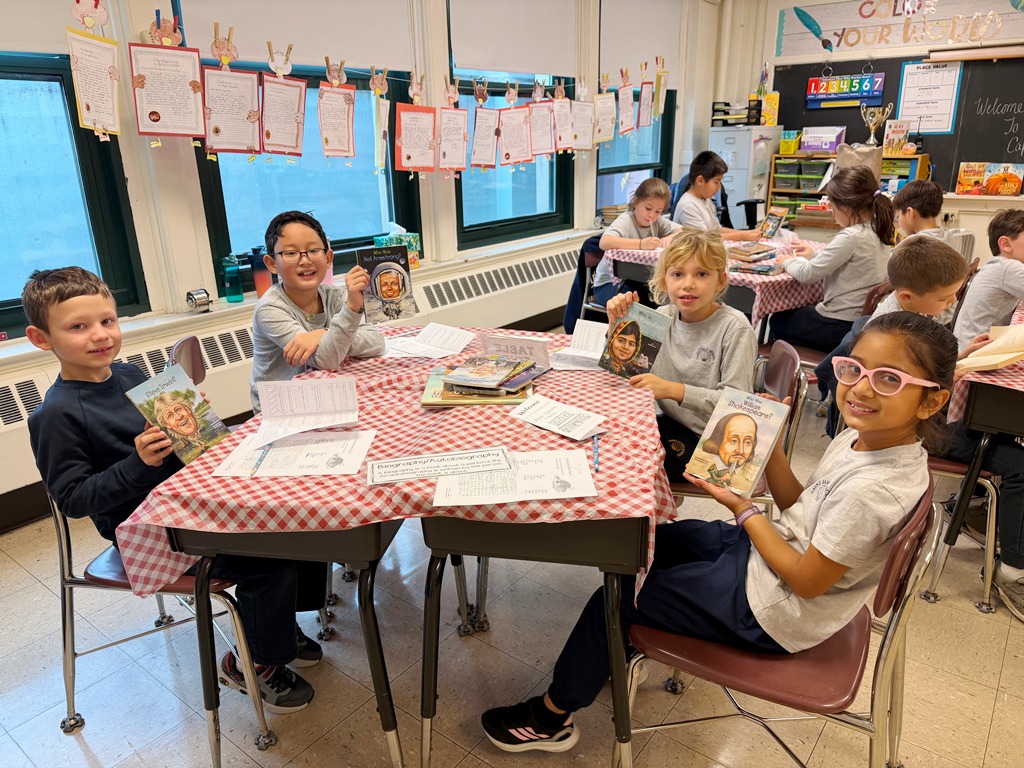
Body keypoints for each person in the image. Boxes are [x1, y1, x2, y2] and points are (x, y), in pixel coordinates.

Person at [480, 311, 954, 753]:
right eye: (854, 369)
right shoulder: (862, 439)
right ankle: (610, 648)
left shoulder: (874, 491)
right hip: (771, 559)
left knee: (617, 594)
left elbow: (807, 581)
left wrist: (744, 511)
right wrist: (771, 446)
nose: (861, 389)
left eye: (889, 379)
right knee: (646, 543)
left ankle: (550, 717)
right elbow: (800, 507)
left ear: (932, 400)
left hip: (773, 608)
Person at [25, 267, 328, 713]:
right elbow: (73, 499)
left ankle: (276, 629)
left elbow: (177, 437)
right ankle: (253, 663)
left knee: (299, 520)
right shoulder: (56, 415)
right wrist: (138, 464)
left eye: (107, 321)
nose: (100, 335)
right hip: (146, 530)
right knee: (269, 561)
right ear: (41, 338)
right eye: (78, 327)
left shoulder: (128, 373)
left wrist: (196, 425)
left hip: (187, 502)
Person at [604, 228, 757, 478]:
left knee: (627, 461)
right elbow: (623, 372)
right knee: (609, 437)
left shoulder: (735, 327)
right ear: (665, 281)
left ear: (720, 281)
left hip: (710, 445)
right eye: (678, 274)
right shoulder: (662, 317)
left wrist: (674, 390)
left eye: (702, 274)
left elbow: (737, 405)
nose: (688, 284)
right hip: (670, 423)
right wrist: (616, 326)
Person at [815, 238, 974, 436]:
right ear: (907, 297)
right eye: (944, 298)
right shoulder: (893, 332)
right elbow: (898, 377)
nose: (953, 300)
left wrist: (960, 357)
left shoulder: (910, 307)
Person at [250, 210, 386, 411]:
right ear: (272, 264)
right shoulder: (270, 308)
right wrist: (350, 309)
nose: (305, 261)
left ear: (328, 258)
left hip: (324, 394)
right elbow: (327, 359)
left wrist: (321, 334)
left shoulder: (334, 295)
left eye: (314, 250)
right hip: (281, 407)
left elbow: (376, 343)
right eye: (291, 253)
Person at [770, 166, 894, 353]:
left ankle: (798, 364)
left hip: (839, 324)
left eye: (832, 207)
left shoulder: (851, 236)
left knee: (778, 320)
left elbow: (807, 274)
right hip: (859, 321)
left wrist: (786, 261)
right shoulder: (878, 228)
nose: (831, 212)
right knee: (797, 315)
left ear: (845, 207)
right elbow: (850, 261)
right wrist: (813, 255)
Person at [593, 178, 682, 307]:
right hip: (610, 284)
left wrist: (671, 237)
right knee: (633, 300)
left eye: (658, 211)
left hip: (638, 281)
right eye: (648, 208)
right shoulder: (626, 220)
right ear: (636, 202)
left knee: (662, 297)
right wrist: (641, 244)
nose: (652, 215)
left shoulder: (657, 222)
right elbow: (604, 242)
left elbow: (685, 230)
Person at [952, 208, 1024, 353]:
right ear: (1006, 244)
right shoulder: (1008, 267)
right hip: (976, 354)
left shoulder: (996, 266)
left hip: (964, 348)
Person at [892, 179, 960, 325]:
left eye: (898, 216)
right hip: (946, 313)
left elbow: (891, 276)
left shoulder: (912, 244)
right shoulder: (948, 236)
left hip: (924, 316)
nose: (899, 221)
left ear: (909, 213)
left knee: (860, 325)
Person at [672, 150, 761, 242]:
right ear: (700, 181)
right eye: (716, 182)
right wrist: (742, 236)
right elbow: (705, 239)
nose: (719, 187)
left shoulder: (706, 200)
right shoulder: (688, 206)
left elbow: (717, 230)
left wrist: (747, 233)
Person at [703, 412, 758, 487]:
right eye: (734, 441)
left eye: (748, 442)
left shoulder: (732, 470)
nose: (741, 451)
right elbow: (713, 478)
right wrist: (723, 478)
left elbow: (729, 481)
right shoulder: (714, 466)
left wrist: (730, 486)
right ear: (718, 441)